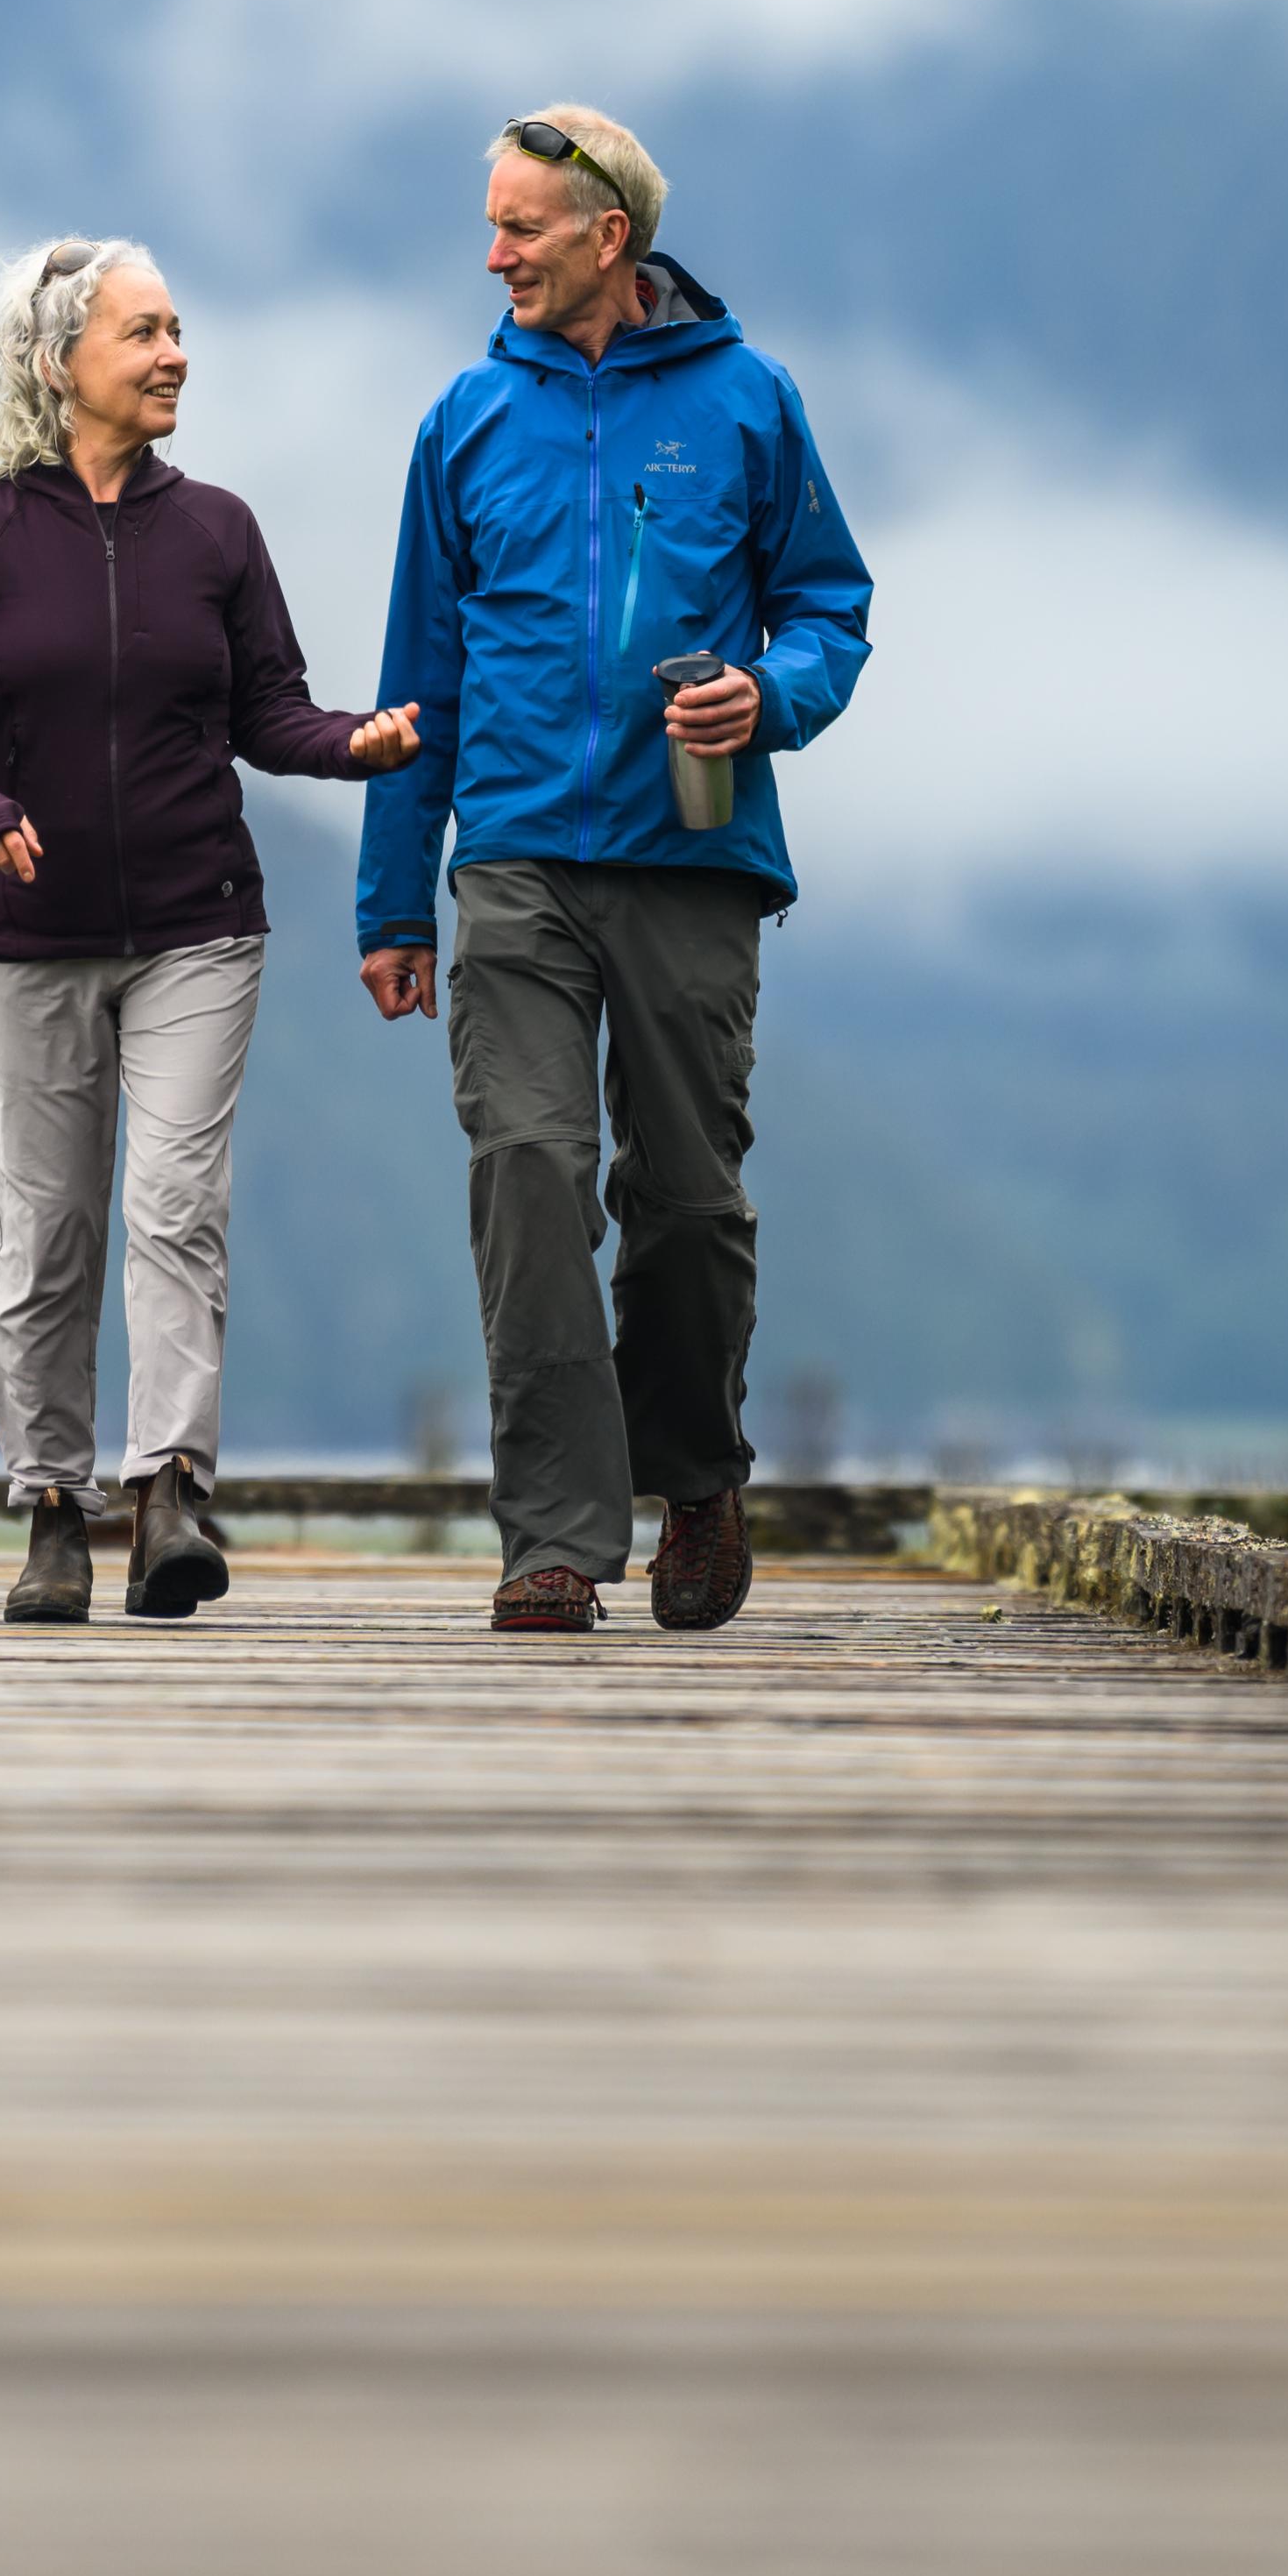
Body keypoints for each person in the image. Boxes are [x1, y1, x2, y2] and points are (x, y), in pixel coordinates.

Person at [353, 108, 871, 1636]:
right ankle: (555, 1538)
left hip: (693, 856)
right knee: (526, 1173)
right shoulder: (464, 420)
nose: (495, 252)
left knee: (690, 1201)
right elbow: (416, 680)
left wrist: (769, 695)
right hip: (510, 859)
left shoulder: (750, 401)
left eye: (522, 226)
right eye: (492, 222)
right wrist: (396, 898)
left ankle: (698, 1477)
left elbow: (829, 607)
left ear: (609, 242)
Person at [0, 238, 419, 1626]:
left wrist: (356, 742)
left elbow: (267, 711)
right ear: (64, 362)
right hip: (27, 933)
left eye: (180, 329)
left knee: (176, 1209)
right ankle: (53, 1508)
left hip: (199, 926)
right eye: (146, 332)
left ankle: (169, 1486)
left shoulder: (219, 530)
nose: (177, 352)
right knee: (47, 1231)